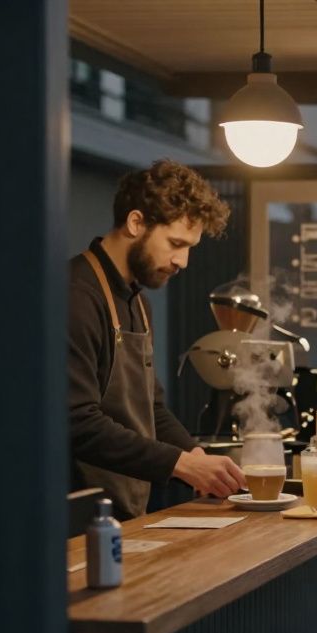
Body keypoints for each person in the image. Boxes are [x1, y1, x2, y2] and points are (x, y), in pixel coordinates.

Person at [69, 159, 246, 520]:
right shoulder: (75, 295)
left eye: (190, 247)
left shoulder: (139, 303)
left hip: (126, 510)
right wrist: (180, 464)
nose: (182, 261)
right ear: (136, 223)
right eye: (175, 243)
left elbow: (151, 408)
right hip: (73, 514)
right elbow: (76, 421)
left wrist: (197, 458)